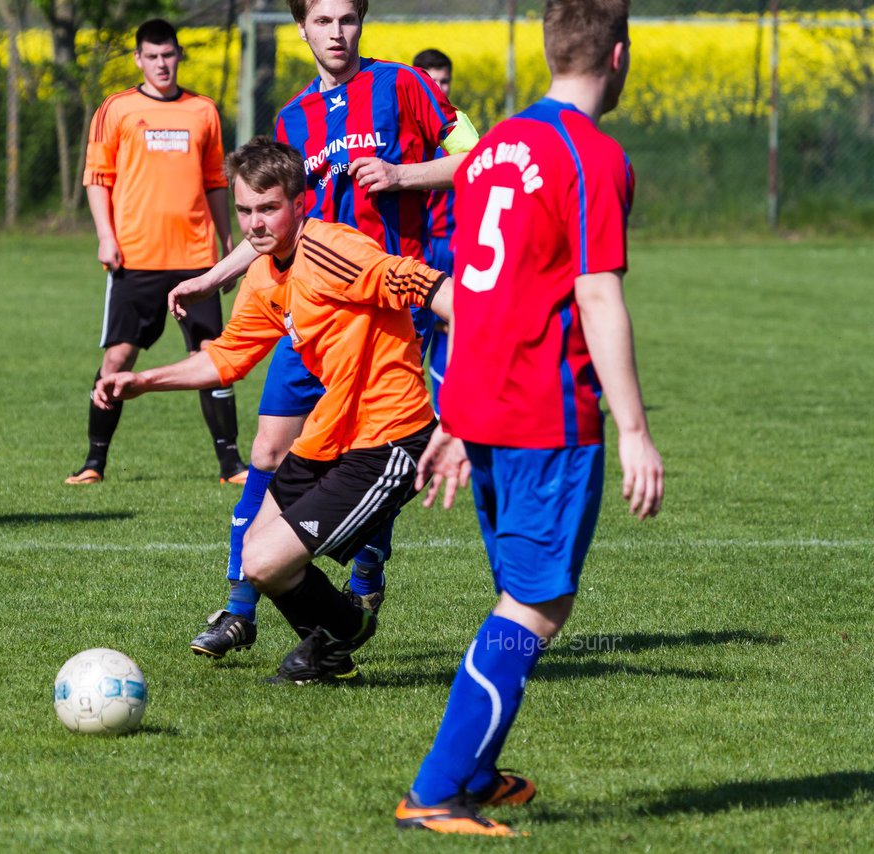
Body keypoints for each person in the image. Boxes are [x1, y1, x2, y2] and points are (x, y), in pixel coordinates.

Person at [394, 0, 664, 836]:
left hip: (485, 409)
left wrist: (453, 413)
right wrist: (635, 429)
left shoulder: (490, 152)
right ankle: (435, 793)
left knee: (524, 594)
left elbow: (475, 291)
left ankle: (473, 773)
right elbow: (596, 292)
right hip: (548, 418)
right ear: (618, 56)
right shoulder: (591, 155)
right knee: (536, 608)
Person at [175, 0, 479, 662]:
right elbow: (269, 221)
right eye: (323, 21)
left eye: (347, 19)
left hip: (381, 312)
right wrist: (213, 275)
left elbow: (480, 161)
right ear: (302, 28)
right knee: (268, 449)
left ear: (361, 21)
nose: (336, 33)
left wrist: (404, 175)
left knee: (378, 446)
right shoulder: (292, 118)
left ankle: (362, 589)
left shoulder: (407, 85)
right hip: (303, 311)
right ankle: (240, 606)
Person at [97, 137, 452, 683]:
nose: (255, 223)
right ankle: (336, 641)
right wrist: (143, 380)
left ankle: (339, 635)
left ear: (300, 203)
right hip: (328, 438)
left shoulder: (334, 250)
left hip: (389, 438)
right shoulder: (263, 273)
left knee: (266, 562)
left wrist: (479, 357)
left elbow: (425, 286)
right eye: (244, 210)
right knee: (255, 559)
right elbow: (227, 358)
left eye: (268, 208)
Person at [66, 18, 246, 486]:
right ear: (138, 59)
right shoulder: (116, 108)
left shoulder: (203, 110)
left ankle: (231, 465)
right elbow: (97, 179)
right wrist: (106, 235)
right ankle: (93, 462)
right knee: (118, 358)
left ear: (179, 55)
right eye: (152, 56)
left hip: (196, 258)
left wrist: (229, 247)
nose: (162, 64)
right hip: (136, 258)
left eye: (169, 55)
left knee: (213, 359)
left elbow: (216, 184)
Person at [411, 48, 456, 414]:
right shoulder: (403, 135)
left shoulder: (458, 135)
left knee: (454, 334)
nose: (438, 88)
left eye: (444, 81)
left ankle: (447, 415)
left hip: (455, 247)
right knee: (413, 339)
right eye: (431, 81)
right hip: (417, 250)